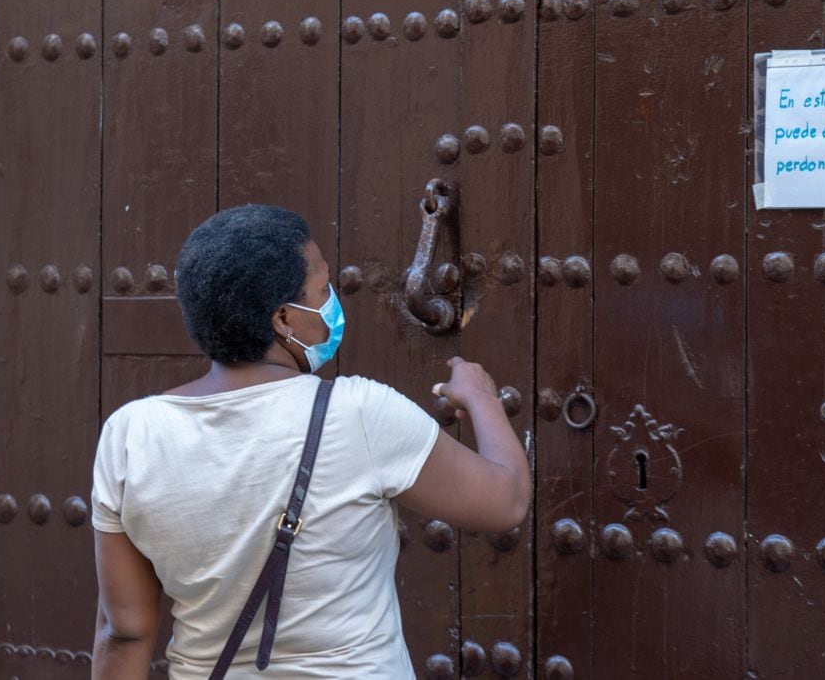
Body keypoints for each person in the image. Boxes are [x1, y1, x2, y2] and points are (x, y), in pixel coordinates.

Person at [91, 204, 531, 679]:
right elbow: (504, 502)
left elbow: (126, 633)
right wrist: (483, 398)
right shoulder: (359, 412)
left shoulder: (130, 433)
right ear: (283, 319)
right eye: (322, 290)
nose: (332, 303)